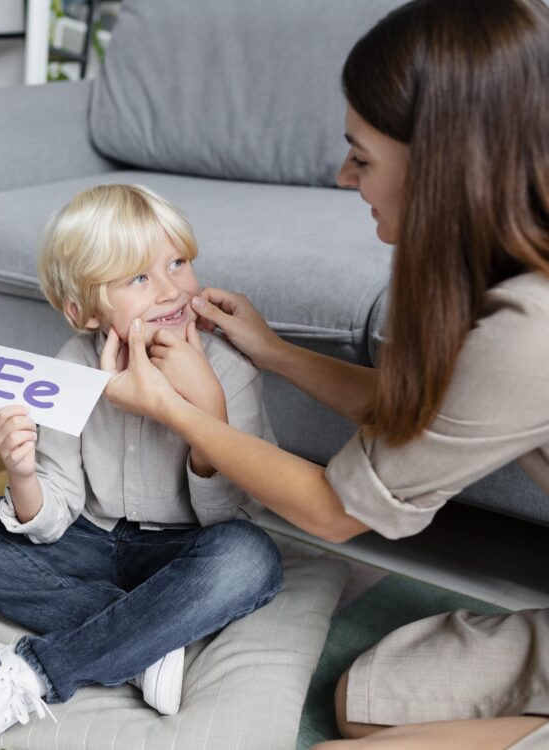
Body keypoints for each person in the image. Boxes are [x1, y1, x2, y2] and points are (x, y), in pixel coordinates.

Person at [97, 1, 549, 749]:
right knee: (364, 702)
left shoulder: (529, 326)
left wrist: (175, 414)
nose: (344, 177)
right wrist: (271, 351)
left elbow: (337, 512)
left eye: (363, 157)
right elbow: (430, 414)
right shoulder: (499, 280)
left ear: (443, 164)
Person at [0, 184, 283, 750]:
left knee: (249, 557)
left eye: (177, 263)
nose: (170, 289)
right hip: (89, 540)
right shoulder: (69, 366)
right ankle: (143, 641)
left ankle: (36, 671)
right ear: (83, 311)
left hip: (184, 550)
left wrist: (205, 407)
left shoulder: (228, 368)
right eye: (138, 278)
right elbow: (54, 514)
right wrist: (22, 474)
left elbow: (230, 513)